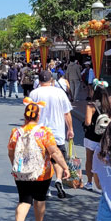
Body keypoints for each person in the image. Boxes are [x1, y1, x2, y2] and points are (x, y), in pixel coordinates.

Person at [8, 100, 70, 221]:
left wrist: (16, 167)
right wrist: (65, 167)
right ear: (38, 116)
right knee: (40, 199)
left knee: (24, 200)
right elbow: (54, 152)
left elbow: (11, 153)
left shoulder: (16, 132)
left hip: (21, 173)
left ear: (25, 115)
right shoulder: (45, 132)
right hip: (42, 172)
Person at [29, 70, 73, 198]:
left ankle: (46, 187)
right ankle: (58, 180)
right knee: (57, 158)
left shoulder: (34, 93)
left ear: (39, 81)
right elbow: (67, 113)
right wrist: (70, 128)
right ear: (51, 80)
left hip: (39, 133)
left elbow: (30, 114)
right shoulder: (60, 92)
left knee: (43, 160)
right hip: (57, 132)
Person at [83, 80, 111, 191]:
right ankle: (103, 181)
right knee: (104, 159)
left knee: (89, 158)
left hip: (92, 135)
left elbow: (87, 122)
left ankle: (90, 182)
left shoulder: (91, 106)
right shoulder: (109, 105)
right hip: (104, 137)